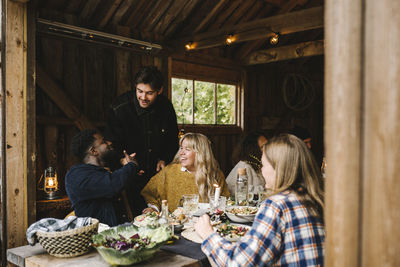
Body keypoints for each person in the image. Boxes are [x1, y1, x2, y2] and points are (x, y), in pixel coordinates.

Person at [195, 134, 325, 266]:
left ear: (278, 168)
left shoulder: (277, 205)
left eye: (263, 165)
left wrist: (208, 234)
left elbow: (237, 264)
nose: (261, 170)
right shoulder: (316, 199)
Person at [105, 66, 179, 214]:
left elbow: (172, 139)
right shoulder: (119, 108)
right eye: (140, 91)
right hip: (128, 178)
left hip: (157, 176)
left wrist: (164, 158)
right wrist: (122, 160)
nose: (143, 97)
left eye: (149, 93)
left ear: (159, 90)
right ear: (135, 88)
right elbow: (110, 144)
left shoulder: (166, 107)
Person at [65, 129, 140, 227]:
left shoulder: (103, 171)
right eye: (104, 142)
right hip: (98, 239)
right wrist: (131, 165)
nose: (109, 143)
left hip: (120, 234)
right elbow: (112, 185)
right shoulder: (76, 175)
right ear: (94, 151)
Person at [141, 133, 230, 212]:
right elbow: (149, 192)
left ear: (200, 153)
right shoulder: (169, 171)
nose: (181, 153)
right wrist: (154, 208)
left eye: (187, 149)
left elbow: (225, 201)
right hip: (174, 226)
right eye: (181, 148)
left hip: (205, 225)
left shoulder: (215, 174)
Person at [225, 131, 267, 195]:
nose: (267, 149)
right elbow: (240, 191)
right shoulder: (244, 166)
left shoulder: (258, 165)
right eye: (263, 147)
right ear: (253, 149)